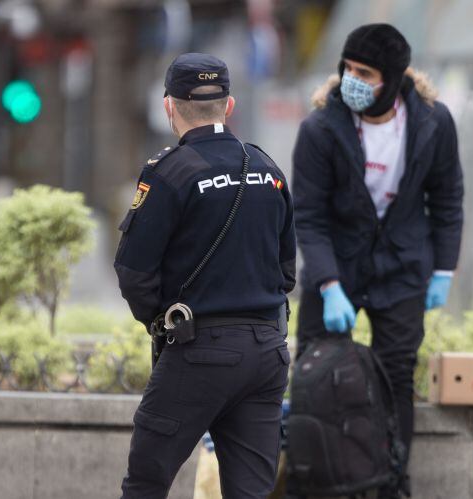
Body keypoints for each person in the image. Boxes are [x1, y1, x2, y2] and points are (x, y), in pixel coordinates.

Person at [291, 23, 464, 497]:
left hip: (403, 272)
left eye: (364, 72)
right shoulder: (321, 127)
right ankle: (315, 483)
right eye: (347, 68)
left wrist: (443, 270)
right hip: (336, 273)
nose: (351, 79)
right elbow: (308, 215)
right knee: (313, 376)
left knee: (395, 381)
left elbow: (447, 200)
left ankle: (391, 482)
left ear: (391, 77)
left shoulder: (433, 122)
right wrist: (327, 284)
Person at [114, 52, 297, 499]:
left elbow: (133, 272)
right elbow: (286, 269)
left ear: (168, 106)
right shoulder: (267, 170)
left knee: (145, 484)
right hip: (266, 353)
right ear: (229, 106)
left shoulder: (169, 173)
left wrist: (161, 321)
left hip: (199, 353)